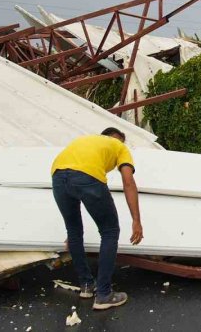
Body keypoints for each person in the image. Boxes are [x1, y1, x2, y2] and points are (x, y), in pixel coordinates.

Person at [51, 127, 144, 310]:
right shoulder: (119, 146)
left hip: (57, 174)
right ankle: (104, 294)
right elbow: (128, 181)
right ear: (117, 139)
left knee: (74, 231)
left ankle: (87, 285)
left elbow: (71, 172)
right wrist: (136, 220)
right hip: (87, 175)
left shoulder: (86, 140)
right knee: (110, 231)